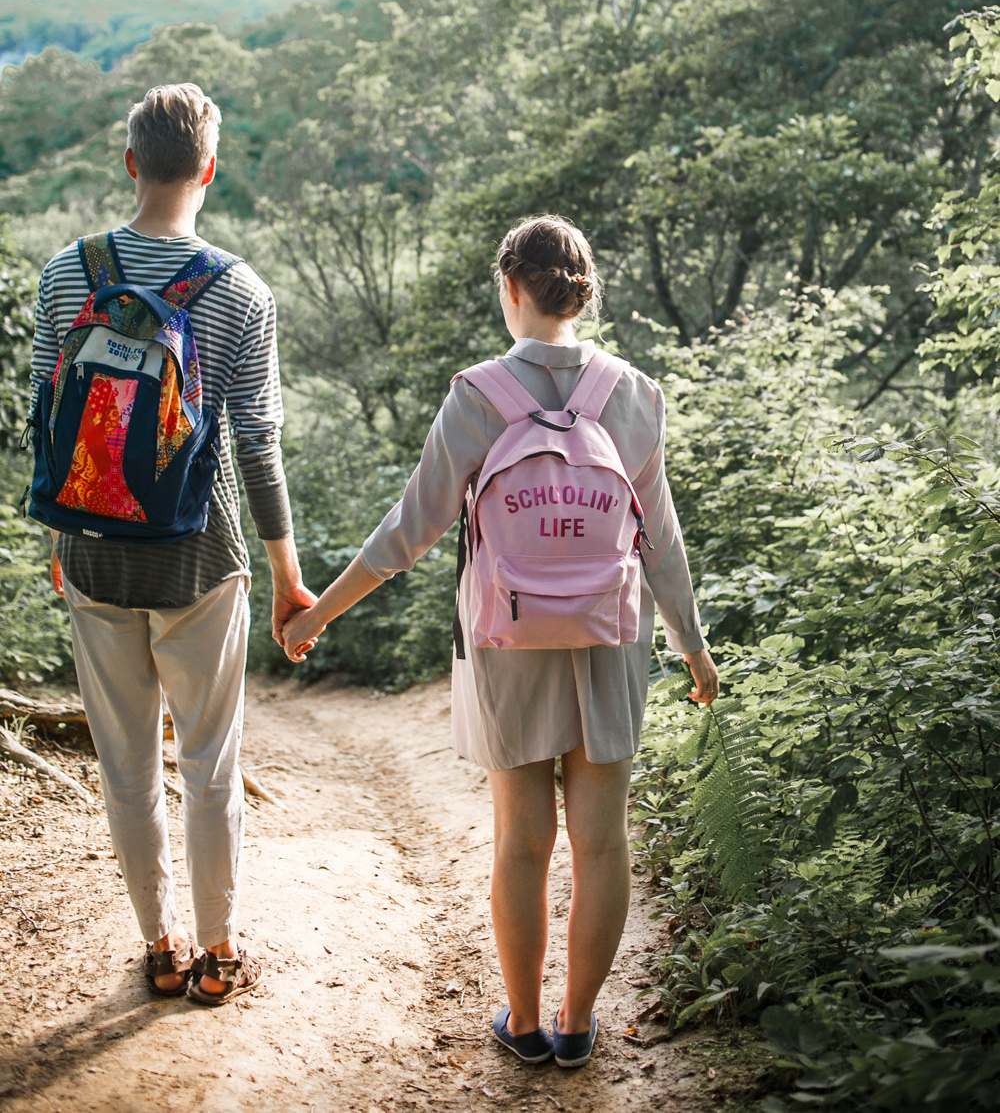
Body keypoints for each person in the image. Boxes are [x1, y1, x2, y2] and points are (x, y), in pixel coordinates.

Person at [277, 215, 718, 1066]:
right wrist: (692, 646)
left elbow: (408, 532)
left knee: (522, 839)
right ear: (582, 293)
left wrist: (319, 612)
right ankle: (580, 1024)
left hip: (506, 637)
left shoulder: (480, 394)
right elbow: (660, 538)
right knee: (603, 840)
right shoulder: (634, 393)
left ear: (511, 289)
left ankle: (523, 1023)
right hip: (613, 635)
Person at [30, 83, 315, 1004]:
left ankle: (157, 941)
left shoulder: (65, 274)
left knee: (125, 764)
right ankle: (219, 950)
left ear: (129, 164)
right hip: (200, 558)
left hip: (94, 553)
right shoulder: (241, 292)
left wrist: (64, 533)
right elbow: (257, 447)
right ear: (208, 169)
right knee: (208, 760)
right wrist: (285, 573)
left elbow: (46, 423)